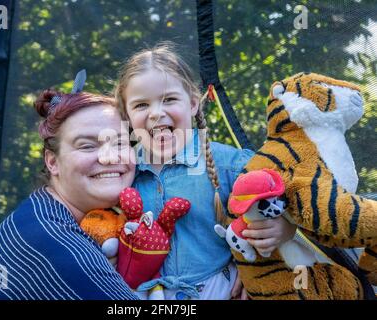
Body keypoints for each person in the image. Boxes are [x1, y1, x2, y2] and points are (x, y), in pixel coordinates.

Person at [114, 43, 296, 300]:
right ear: (127, 115)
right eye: (141, 105)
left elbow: (292, 201)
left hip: (220, 291)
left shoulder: (229, 164)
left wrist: (284, 229)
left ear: (192, 103)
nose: (156, 113)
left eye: (169, 99)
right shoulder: (122, 170)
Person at [0, 74, 139, 300]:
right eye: (87, 146)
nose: (109, 157)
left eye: (119, 143)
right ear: (52, 162)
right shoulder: (60, 245)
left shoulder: (40, 210)